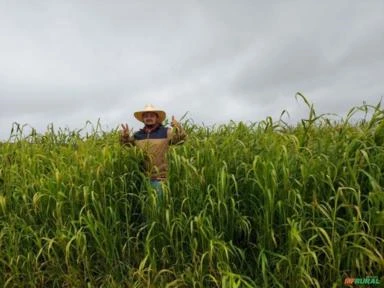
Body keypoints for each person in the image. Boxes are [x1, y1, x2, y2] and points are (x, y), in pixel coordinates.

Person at [120, 104, 187, 204]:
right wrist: (125, 137)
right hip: (142, 179)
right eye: (146, 116)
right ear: (143, 119)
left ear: (157, 118)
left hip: (159, 179)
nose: (149, 118)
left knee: (158, 211)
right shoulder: (138, 135)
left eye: (152, 116)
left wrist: (178, 128)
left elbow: (181, 140)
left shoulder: (166, 132)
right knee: (145, 211)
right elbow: (127, 145)